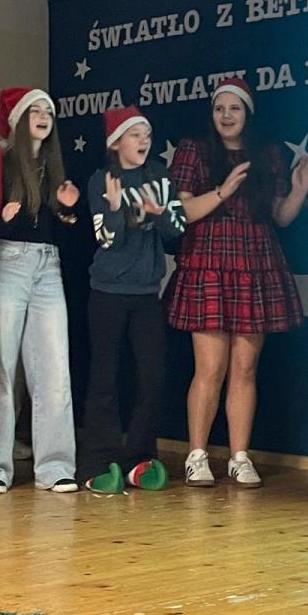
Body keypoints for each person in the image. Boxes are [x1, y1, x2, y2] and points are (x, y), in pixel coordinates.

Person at [165, 77, 308, 488]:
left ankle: (239, 456)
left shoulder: (267, 154)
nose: (226, 116)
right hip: (209, 262)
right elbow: (183, 211)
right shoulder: (194, 150)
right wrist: (223, 189)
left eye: (234, 108)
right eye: (219, 109)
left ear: (247, 113)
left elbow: (280, 216)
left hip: (255, 262)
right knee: (210, 367)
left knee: (245, 367)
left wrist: (299, 191)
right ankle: (197, 455)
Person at [0, 86, 80, 494]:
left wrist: (68, 210)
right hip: (9, 263)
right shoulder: (2, 161)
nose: (43, 117)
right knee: (2, 369)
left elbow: (63, 232)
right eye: (35, 111)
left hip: (47, 266)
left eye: (48, 112)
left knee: (55, 368)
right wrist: (1, 219)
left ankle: (55, 467)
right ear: (19, 119)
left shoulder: (53, 167)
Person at [81, 106, 186, 494]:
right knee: (105, 377)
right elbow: (106, 240)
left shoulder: (159, 175)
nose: (143, 141)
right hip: (107, 293)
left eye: (147, 134)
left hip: (146, 294)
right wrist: (114, 210)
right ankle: (98, 460)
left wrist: (158, 215)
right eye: (135, 135)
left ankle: (139, 457)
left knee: (151, 376)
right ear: (116, 142)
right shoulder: (102, 180)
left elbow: (176, 230)